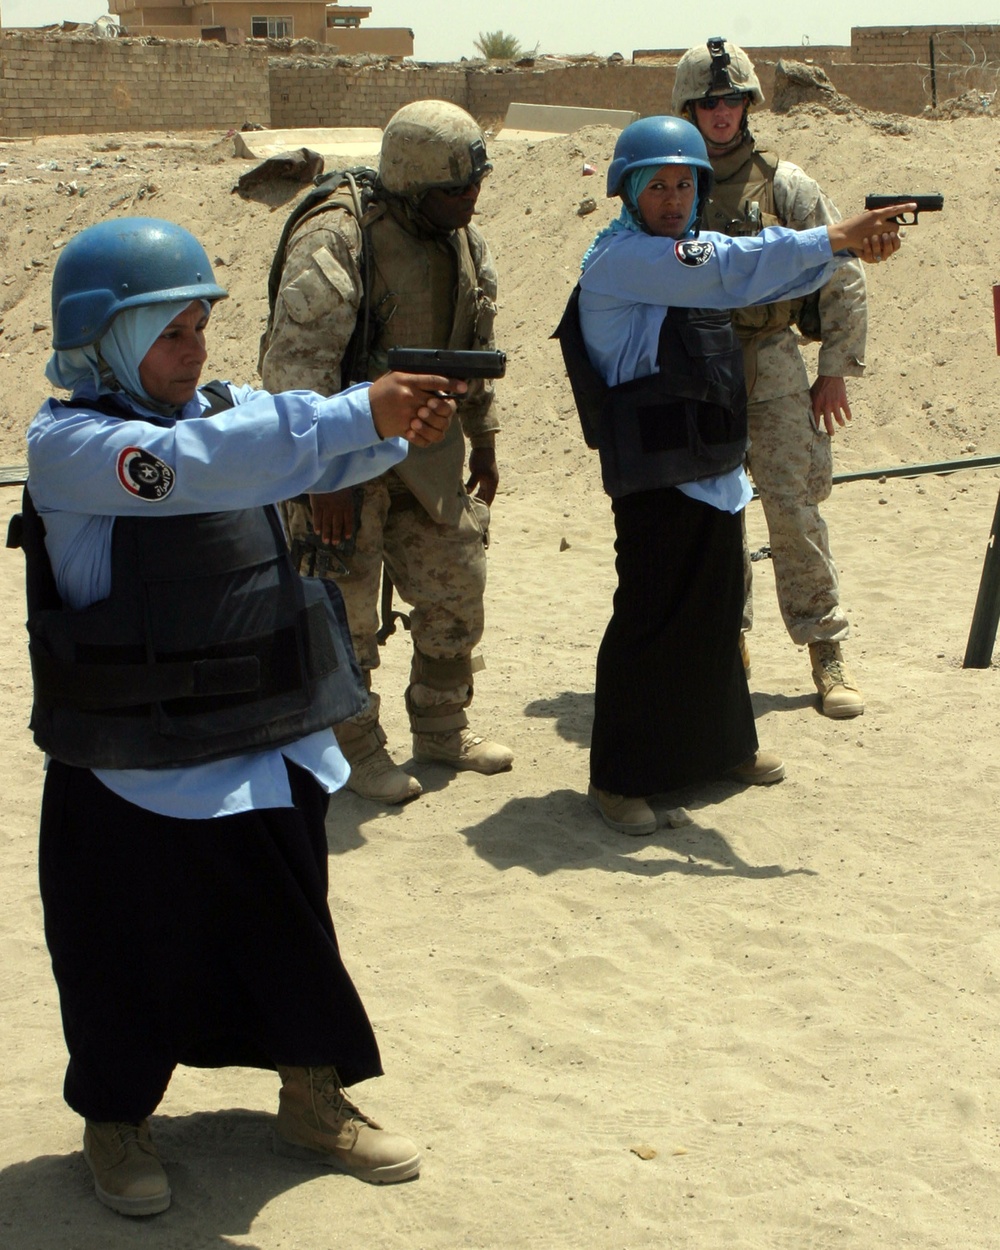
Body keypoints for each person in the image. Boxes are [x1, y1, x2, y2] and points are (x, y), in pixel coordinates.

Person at [20, 217, 463, 1215]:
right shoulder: (77, 447)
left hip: (265, 740)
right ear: (108, 342)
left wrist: (392, 429)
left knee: (289, 937)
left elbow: (292, 456)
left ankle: (312, 1097)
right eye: (171, 333)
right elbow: (211, 464)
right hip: (133, 762)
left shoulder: (223, 410)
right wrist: (359, 410)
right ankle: (116, 1120)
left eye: (199, 327)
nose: (195, 352)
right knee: (125, 963)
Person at [562, 116, 905, 835]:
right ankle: (617, 779)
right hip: (657, 478)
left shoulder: (679, 252)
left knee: (716, 622)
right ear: (627, 191)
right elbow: (729, 267)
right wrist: (838, 237)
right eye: (656, 185)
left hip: (711, 471)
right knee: (650, 625)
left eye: (685, 184)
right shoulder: (624, 259)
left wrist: (842, 253)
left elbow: (749, 263)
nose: (673, 197)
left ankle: (722, 750)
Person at [261, 99, 513, 806]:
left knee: (456, 592)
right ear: (411, 183)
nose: (470, 200)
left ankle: (440, 728)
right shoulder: (337, 240)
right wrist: (322, 480)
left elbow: (473, 347)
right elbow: (296, 372)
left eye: (474, 186)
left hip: (429, 453)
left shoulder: (462, 239)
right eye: (455, 189)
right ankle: (355, 749)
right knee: (344, 617)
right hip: (341, 461)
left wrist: (485, 443)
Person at [672, 38, 867, 718]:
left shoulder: (787, 184)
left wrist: (835, 369)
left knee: (794, 512)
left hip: (774, 365)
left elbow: (844, 271)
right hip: (696, 371)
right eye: (707, 102)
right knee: (712, 521)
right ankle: (727, 652)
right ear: (688, 107)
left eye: (730, 101)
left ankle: (827, 654)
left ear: (747, 104)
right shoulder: (669, 187)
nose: (720, 113)